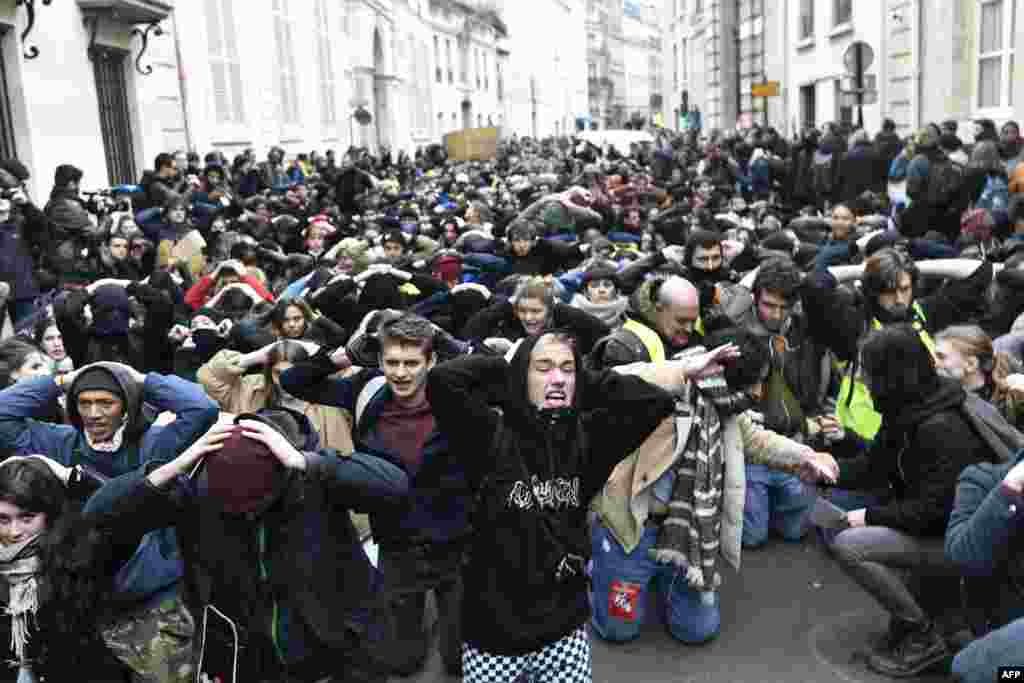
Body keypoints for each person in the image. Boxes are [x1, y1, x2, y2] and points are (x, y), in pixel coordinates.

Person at [425, 329, 691, 681]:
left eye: (567, 369)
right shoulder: (488, 435)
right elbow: (443, 381)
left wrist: (583, 381)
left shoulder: (589, 438)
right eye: (544, 368)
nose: (557, 378)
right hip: (494, 635)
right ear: (520, 376)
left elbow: (652, 401)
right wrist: (513, 370)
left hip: (563, 631)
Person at [84, 413, 409, 682]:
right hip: (248, 658)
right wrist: (175, 466)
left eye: (258, 504)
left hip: (339, 653)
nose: (248, 514)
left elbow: (393, 487)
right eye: (234, 509)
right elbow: (99, 514)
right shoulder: (197, 494)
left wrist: (309, 463)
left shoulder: (311, 480)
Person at [588, 328, 838, 645]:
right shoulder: (667, 386)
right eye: (755, 382)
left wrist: (806, 456)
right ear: (729, 377)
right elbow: (612, 378)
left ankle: (667, 576)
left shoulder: (727, 407)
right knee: (618, 631)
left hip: (689, 532)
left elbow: (756, 440)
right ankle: (603, 569)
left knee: (697, 631)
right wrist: (681, 371)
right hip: (634, 529)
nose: (760, 392)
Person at [280, 313, 469, 677]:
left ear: (430, 362)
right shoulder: (365, 391)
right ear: (380, 361)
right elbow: (294, 380)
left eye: (412, 363)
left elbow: (501, 374)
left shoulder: (456, 393)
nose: (401, 372)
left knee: (456, 660)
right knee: (401, 661)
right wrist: (345, 355)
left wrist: (449, 343)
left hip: (456, 541)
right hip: (398, 543)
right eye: (392, 362)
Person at [808, 325, 996, 677]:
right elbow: (877, 466)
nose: (862, 379)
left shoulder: (940, 427)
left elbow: (933, 512)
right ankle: (930, 616)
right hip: (937, 530)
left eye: (869, 371)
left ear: (892, 375)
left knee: (849, 544)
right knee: (852, 528)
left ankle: (922, 634)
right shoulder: (911, 407)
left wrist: (867, 516)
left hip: (959, 542)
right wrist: (829, 468)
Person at [944, 446, 1024, 683]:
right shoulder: (982, 479)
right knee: (974, 669)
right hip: (1004, 625)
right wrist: (1009, 491)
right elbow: (961, 557)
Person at [935, 325, 1023, 429]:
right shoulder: (953, 406)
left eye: (941, 357)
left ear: (971, 364)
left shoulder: (1017, 393)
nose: (936, 364)